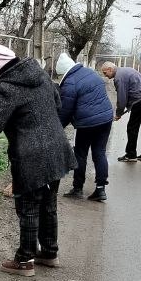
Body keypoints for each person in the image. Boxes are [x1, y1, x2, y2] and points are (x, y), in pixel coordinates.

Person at [0, 45, 76, 277]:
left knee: (28, 206)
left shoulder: (7, 86)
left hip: (32, 155)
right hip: (56, 149)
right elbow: (57, 104)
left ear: (0, 68)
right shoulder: (41, 75)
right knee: (48, 204)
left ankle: (25, 260)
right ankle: (49, 252)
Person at [55, 51, 114, 203]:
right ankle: (101, 189)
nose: (62, 78)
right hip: (106, 118)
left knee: (80, 153)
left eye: (61, 75)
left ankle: (77, 188)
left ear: (65, 72)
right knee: (99, 153)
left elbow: (65, 112)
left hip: (87, 124)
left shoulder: (70, 83)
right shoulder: (90, 72)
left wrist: (55, 128)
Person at [100, 62, 141, 162]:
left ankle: (131, 155)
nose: (105, 76)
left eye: (105, 73)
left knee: (132, 128)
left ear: (110, 69)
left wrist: (118, 114)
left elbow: (122, 99)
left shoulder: (119, 78)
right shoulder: (125, 70)